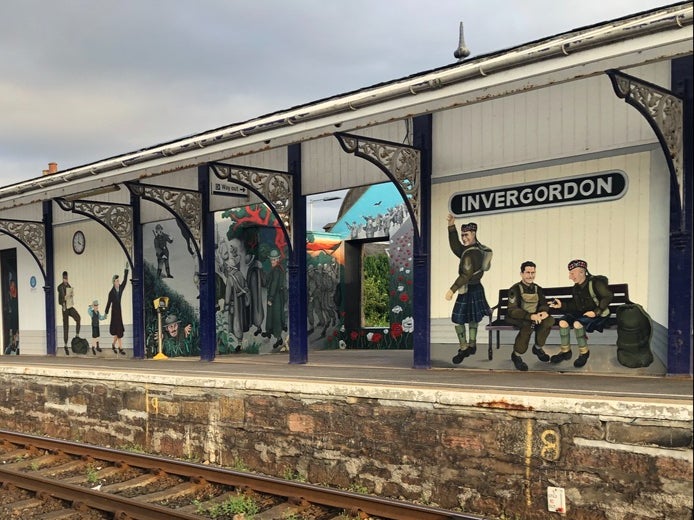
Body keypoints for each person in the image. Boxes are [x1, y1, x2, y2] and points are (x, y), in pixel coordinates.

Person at [445, 214, 493, 364]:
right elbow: (456, 247)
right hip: (477, 288)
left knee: (458, 319)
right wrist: (451, 227)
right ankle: (472, 345)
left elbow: (465, 275)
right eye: (462, 235)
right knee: (473, 318)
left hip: (467, 289)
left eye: (466, 235)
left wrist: (452, 290)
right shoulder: (475, 249)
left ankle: (464, 348)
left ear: (473, 234)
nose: (464, 238)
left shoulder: (469, 255)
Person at [548, 259, 613, 368]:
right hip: (583, 313)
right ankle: (566, 352)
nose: (570, 276)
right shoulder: (576, 288)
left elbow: (608, 296)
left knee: (577, 324)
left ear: (582, 272)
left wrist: (596, 312)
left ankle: (584, 353)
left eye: (572, 273)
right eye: (570, 273)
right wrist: (562, 306)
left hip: (599, 314)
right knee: (563, 322)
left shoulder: (596, 283)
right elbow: (575, 306)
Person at [505, 261, 555, 371]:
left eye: (533, 272)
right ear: (522, 274)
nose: (530, 275)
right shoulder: (515, 289)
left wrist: (543, 312)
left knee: (549, 321)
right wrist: (530, 316)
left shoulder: (538, 288)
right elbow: (512, 310)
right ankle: (517, 354)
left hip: (535, 316)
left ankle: (537, 348)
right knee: (528, 326)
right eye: (527, 272)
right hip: (518, 317)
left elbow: (543, 304)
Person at [264, 249, 287, 351]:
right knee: (273, 316)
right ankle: (270, 331)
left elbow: (274, 284)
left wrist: (271, 298)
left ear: (277, 260)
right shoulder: (278, 269)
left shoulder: (277, 270)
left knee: (276, 318)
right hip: (277, 296)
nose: (272, 262)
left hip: (276, 297)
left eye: (274, 260)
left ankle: (279, 338)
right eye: (271, 260)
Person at [105, 265, 129, 355]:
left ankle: (113, 345)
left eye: (119, 280)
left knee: (117, 331)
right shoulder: (111, 292)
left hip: (119, 312)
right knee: (117, 331)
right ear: (114, 282)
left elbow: (125, 281)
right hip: (114, 313)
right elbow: (108, 303)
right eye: (117, 281)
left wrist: (126, 270)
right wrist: (106, 313)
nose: (118, 282)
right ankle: (120, 348)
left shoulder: (120, 289)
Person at [57, 270, 81, 356]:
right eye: (64, 279)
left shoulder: (69, 286)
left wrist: (71, 296)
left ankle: (77, 335)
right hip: (64, 308)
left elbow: (70, 296)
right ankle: (65, 345)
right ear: (62, 278)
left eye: (66, 279)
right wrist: (65, 298)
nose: (65, 280)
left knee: (78, 317)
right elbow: (60, 300)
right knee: (66, 326)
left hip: (70, 306)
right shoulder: (60, 287)